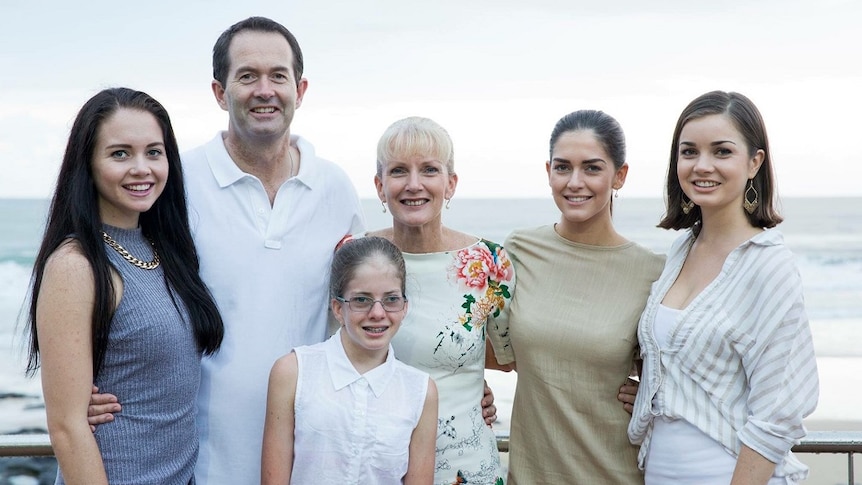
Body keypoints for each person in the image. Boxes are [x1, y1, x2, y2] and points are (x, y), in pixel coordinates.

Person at [86, 17, 495, 484]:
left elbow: (370, 304)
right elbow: (124, 278)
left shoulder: (335, 188)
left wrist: (458, 379)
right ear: (220, 92)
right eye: (247, 76)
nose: (265, 90)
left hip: (320, 456)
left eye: (278, 76)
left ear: (300, 89)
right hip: (198, 457)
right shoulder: (177, 180)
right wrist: (82, 382)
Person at [24, 87, 224, 484]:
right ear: (89, 164)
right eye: (120, 153)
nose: (141, 168)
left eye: (154, 152)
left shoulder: (166, 249)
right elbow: (66, 427)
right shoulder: (75, 266)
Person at [627, 91, 819, 484]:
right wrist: (652, 390)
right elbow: (680, 355)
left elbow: (778, 414)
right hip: (660, 471)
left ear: (754, 163)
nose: (702, 166)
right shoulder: (682, 250)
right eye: (689, 152)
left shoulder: (768, 264)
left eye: (721, 152)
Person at [492, 110, 665, 483]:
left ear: (619, 175)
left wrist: (654, 398)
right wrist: (466, 389)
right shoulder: (520, 250)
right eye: (562, 167)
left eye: (591, 168)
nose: (574, 182)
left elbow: (678, 372)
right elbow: (493, 349)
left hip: (615, 473)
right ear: (548, 172)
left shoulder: (653, 272)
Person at [367, 116, 514, 485]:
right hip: (370, 465)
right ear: (380, 185)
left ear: (450, 184)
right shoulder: (353, 256)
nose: (414, 184)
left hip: (465, 468)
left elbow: (507, 356)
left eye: (429, 170)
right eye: (399, 171)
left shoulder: (490, 265)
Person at [261, 236, 437, 484]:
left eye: (391, 299)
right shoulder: (292, 373)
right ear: (337, 307)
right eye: (361, 300)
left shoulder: (420, 391)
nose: (377, 313)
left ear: (405, 306)